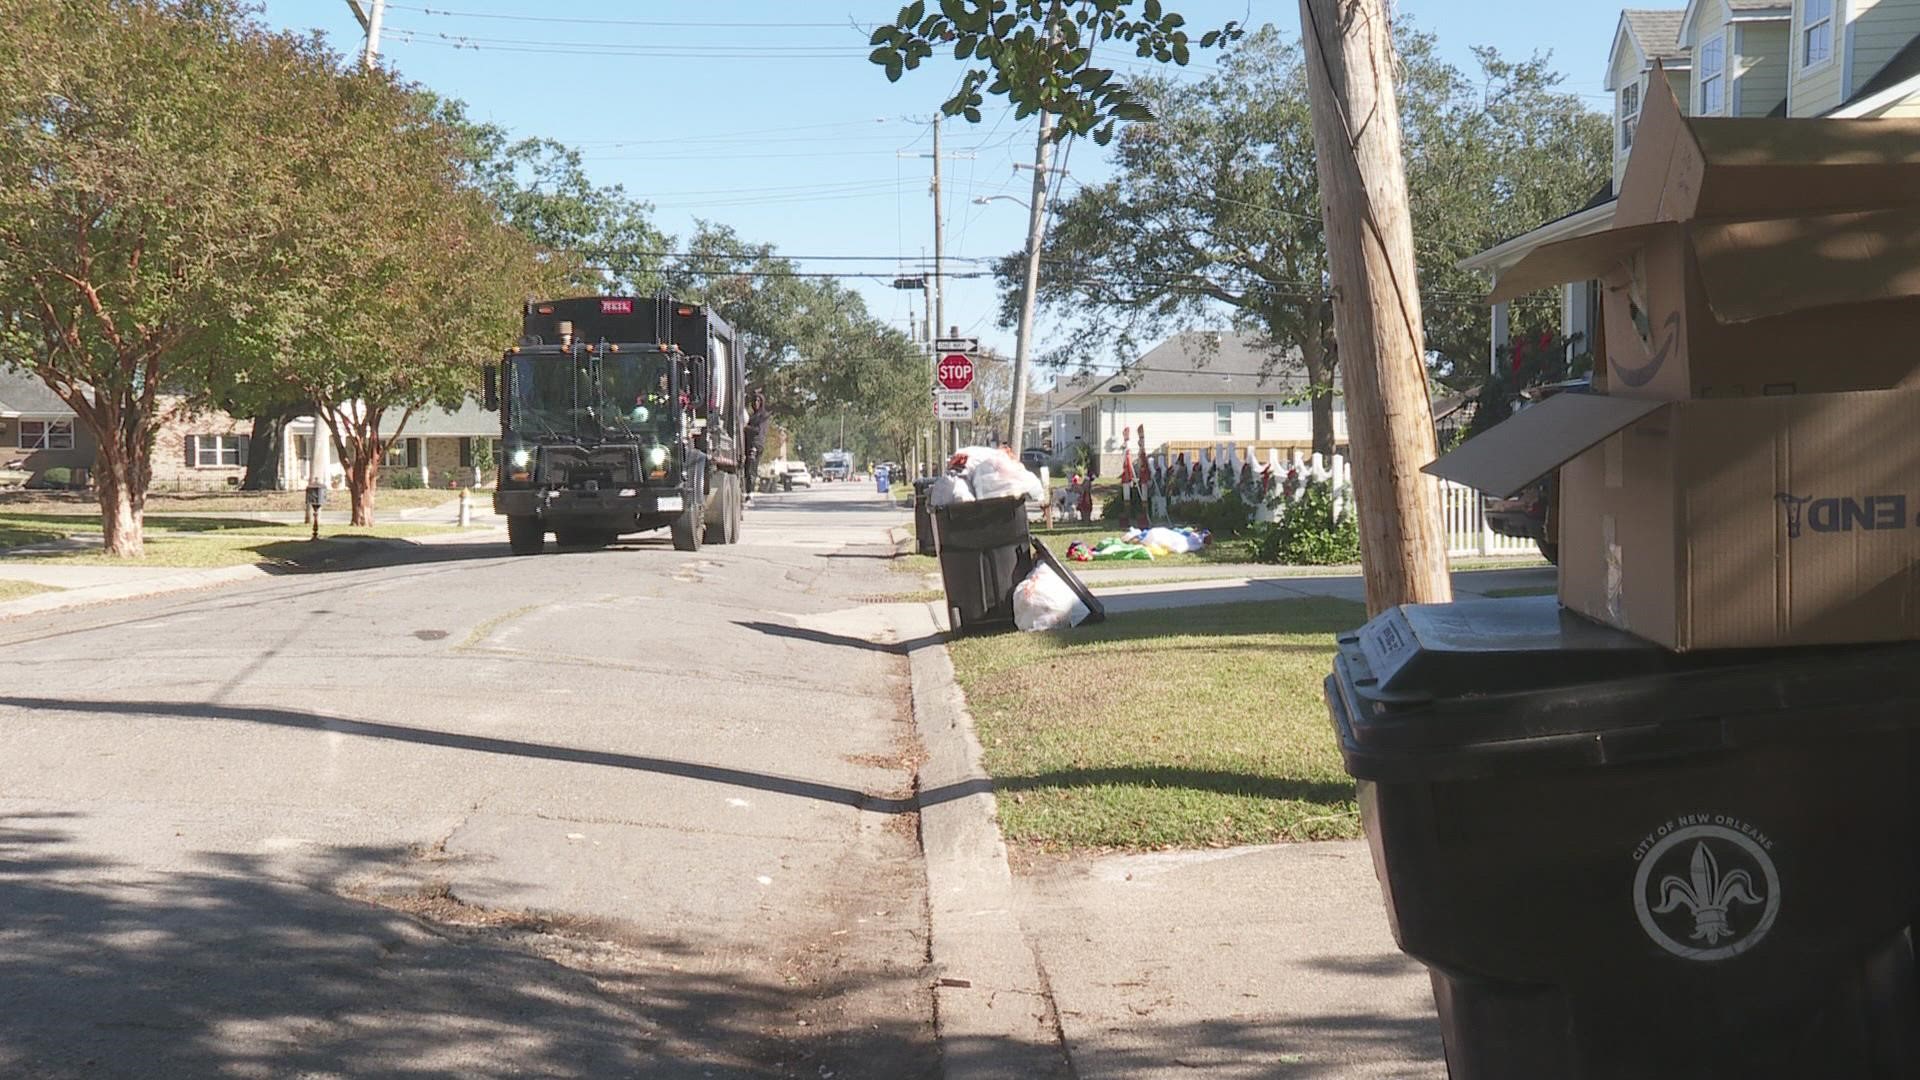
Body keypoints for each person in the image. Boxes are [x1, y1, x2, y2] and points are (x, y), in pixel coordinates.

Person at [742, 390, 771, 503]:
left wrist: (745, 427)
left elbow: (758, 431)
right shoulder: (752, 416)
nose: (755, 403)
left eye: (758, 401)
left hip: (756, 445)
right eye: (754, 400)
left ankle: (750, 495)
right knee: (746, 469)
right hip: (748, 445)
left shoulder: (763, 416)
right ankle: (746, 492)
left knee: (751, 470)